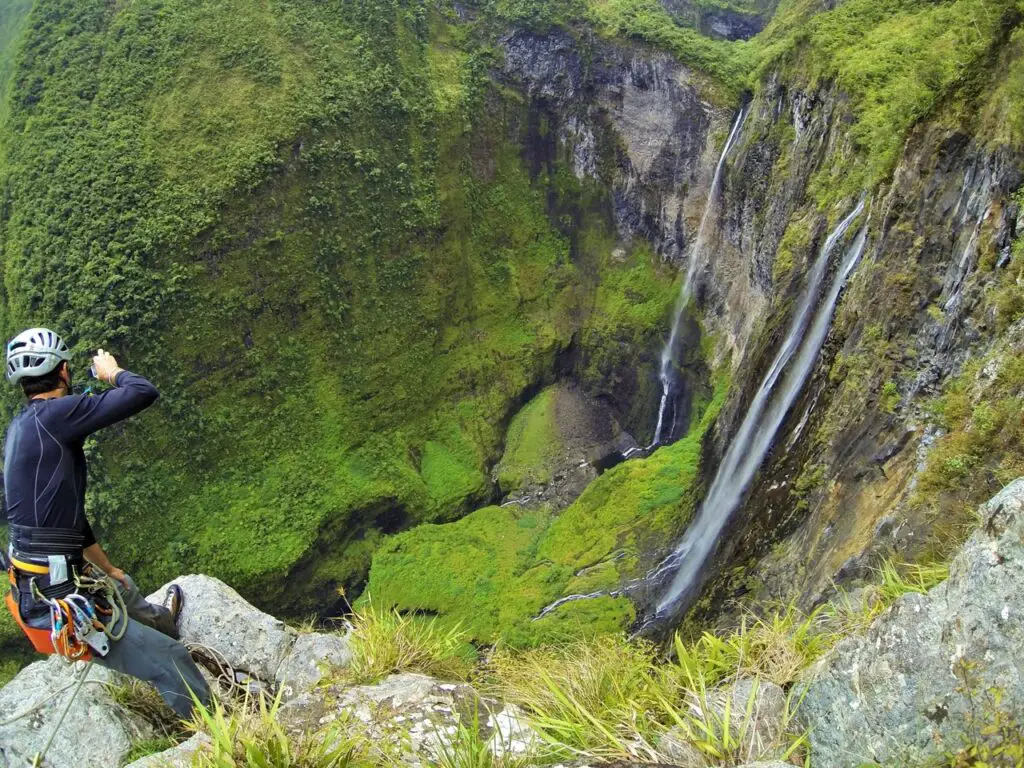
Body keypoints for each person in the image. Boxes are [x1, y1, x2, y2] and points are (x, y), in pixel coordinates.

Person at [2, 327, 210, 718]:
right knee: (172, 659)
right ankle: (221, 735)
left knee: (123, 586)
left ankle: (161, 621)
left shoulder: (22, 428)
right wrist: (110, 372)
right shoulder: (56, 415)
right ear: (63, 370)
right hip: (56, 601)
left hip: (49, 576)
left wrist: (109, 568)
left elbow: (66, 522)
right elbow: (141, 392)